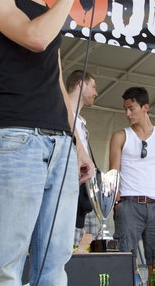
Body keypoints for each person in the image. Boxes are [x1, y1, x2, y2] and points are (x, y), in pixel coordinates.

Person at [0, 0, 94, 285]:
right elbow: (36, 38)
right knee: (9, 265)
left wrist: (79, 146)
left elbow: (57, 82)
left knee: (54, 261)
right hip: (18, 140)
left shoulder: (49, 11)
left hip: (60, 145)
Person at [109, 87, 155, 281]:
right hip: (128, 204)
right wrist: (117, 204)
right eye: (125, 109)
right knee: (126, 260)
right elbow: (113, 173)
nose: (127, 113)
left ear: (145, 107)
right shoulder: (120, 136)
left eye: (131, 108)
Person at [65, 70, 99, 249]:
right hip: (65, 187)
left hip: (84, 190)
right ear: (80, 84)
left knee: (86, 244)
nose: (96, 93)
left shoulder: (81, 122)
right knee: (65, 241)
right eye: (93, 86)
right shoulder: (60, 112)